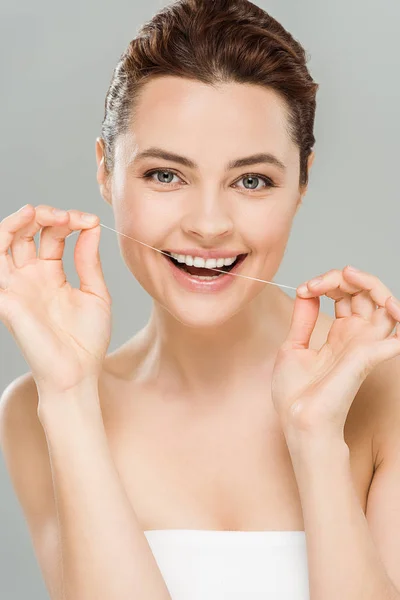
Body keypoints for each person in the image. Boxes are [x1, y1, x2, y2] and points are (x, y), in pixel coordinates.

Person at [1, 0, 400, 599]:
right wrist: (68, 396)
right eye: (166, 175)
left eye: (252, 180)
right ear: (106, 172)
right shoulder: (41, 406)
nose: (209, 224)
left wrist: (317, 439)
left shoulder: (384, 392)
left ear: (302, 181)